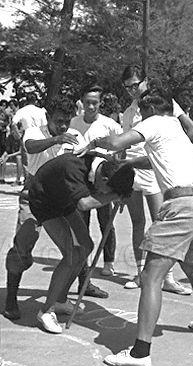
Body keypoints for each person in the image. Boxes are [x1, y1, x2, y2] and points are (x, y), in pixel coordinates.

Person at [84, 85, 193, 366]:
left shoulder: (155, 122)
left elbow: (118, 142)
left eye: (141, 113)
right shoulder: (176, 130)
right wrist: (126, 162)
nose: (139, 119)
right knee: (191, 265)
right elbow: (151, 160)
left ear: (150, 109)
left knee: (151, 276)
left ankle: (140, 352)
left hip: (182, 206)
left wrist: (97, 143)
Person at [30, 153, 135, 334]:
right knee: (71, 254)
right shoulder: (73, 168)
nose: (103, 193)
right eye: (106, 189)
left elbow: (97, 193)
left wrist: (119, 193)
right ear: (104, 178)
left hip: (63, 199)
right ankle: (45, 311)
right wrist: (113, 195)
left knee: (86, 247)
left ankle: (60, 300)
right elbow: (84, 204)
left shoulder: (107, 166)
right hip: (44, 201)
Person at [3, 97, 86, 320]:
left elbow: (83, 159)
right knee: (22, 247)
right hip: (34, 197)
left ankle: (60, 298)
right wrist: (56, 139)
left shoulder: (74, 136)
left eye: (66, 122)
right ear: (48, 117)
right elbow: (30, 147)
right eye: (58, 121)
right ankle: (11, 298)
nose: (63, 126)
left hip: (61, 198)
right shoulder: (35, 132)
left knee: (81, 246)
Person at [117, 64, 193, 296]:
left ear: (145, 81)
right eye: (127, 87)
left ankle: (167, 276)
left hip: (154, 169)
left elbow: (191, 130)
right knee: (137, 222)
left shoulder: (164, 103)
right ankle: (141, 272)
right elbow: (123, 146)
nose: (132, 90)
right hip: (132, 170)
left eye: (135, 85)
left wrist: (172, 156)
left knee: (161, 223)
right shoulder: (129, 112)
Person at [68, 85, 121, 284]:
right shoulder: (74, 122)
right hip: (80, 178)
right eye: (87, 102)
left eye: (95, 103)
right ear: (82, 102)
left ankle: (108, 261)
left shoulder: (110, 124)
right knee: (82, 221)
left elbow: (120, 149)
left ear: (100, 104)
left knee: (106, 221)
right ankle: (85, 262)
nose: (91, 107)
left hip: (102, 179)